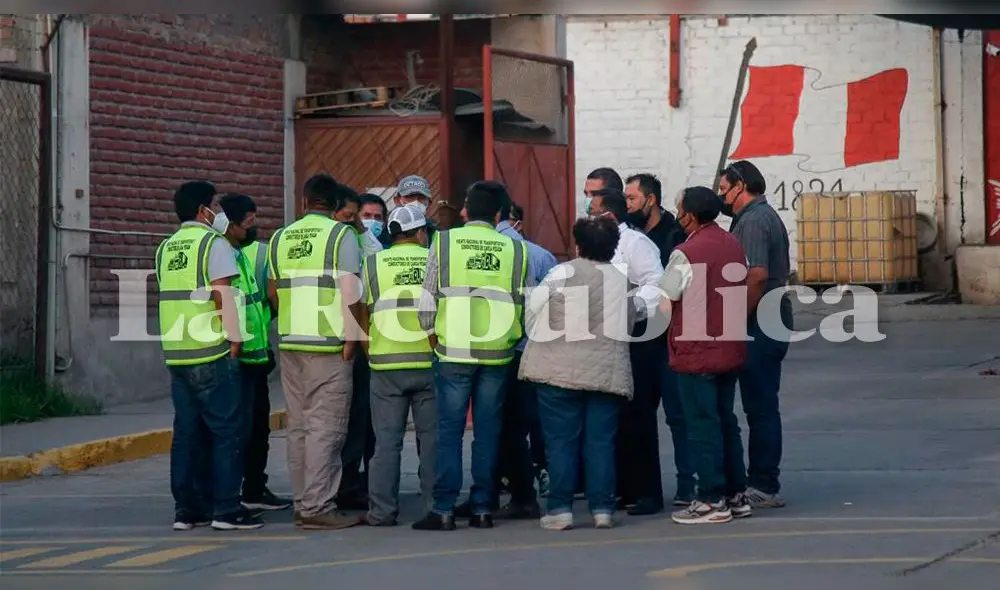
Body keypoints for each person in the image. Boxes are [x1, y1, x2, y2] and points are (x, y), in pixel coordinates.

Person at [413, 180, 530, 531]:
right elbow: (521, 303)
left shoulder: (444, 242)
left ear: (467, 209)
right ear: (498, 214)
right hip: (497, 353)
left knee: (449, 431)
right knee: (488, 431)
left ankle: (444, 509)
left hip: (452, 351)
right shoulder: (516, 250)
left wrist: (432, 333)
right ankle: (482, 508)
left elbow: (428, 297)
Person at [157, 181, 263, 531]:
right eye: (214, 206)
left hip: (178, 353)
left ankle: (187, 510)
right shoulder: (213, 244)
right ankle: (226, 509)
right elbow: (223, 296)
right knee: (226, 432)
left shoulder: (167, 248)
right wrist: (235, 340)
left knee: (188, 434)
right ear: (203, 211)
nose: (217, 212)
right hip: (212, 352)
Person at [519, 215, 634, 530]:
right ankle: (602, 509)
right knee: (600, 442)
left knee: (560, 441)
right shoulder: (623, 280)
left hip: (558, 370)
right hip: (606, 372)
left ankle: (560, 508)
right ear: (613, 247)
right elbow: (631, 322)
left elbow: (532, 313)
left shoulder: (561, 273)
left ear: (578, 245)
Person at [266, 174, 364, 530]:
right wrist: (354, 336)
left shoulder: (279, 237)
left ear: (305, 202)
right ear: (336, 205)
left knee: (299, 427)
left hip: (291, 341)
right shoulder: (341, 235)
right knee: (327, 428)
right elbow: (350, 291)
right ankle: (318, 506)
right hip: (329, 344)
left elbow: (273, 292)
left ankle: (302, 501)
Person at [661, 186, 752, 524]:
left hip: (696, 351)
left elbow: (664, 302)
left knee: (701, 425)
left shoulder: (684, 253)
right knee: (726, 421)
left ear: (691, 214)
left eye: (680, 208)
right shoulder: (733, 245)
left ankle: (711, 499)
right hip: (729, 345)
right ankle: (736, 492)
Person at [586, 187, 666, 515]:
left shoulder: (635, 243)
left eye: (593, 212)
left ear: (609, 215)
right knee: (613, 417)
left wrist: (629, 307)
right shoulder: (596, 244)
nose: (588, 218)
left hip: (638, 338)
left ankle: (647, 492)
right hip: (606, 340)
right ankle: (623, 488)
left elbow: (656, 283)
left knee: (638, 417)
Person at [718, 160, 792, 509]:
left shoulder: (753, 220)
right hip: (767, 317)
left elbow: (757, 275)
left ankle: (763, 483)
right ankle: (762, 479)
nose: (722, 196)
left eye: (725, 189)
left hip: (761, 321)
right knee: (760, 404)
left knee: (760, 405)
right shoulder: (756, 218)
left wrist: (736, 318)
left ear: (741, 185)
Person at [360, 204, 437, 527]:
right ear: (420, 233)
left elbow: (361, 309)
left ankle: (381, 511)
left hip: (385, 363)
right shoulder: (435, 260)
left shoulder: (373, 263)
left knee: (386, 442)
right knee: (432, 440)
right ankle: (436, 505)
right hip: (429, 361)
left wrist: (368, 347)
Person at [624, 173, 695, 506]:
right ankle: (640, 488)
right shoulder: (626, 234)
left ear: (650, 200)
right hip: (640, 338)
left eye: (632, 199)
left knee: (678, 414)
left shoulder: (675, 234)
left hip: (671, 335)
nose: (628, 205)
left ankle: (687, 484)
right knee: (638, 414)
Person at [218, 193, 292, 512]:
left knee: (251, 427)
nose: (254, 225)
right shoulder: (242, 254)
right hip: (240, 355)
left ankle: (249, 491)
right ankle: (240, 494)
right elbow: (269, 299)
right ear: (234, 223)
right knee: (246, 429)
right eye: (249, 219)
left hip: (252, 353)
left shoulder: (242, 253)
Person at [492, 196, 557, 515]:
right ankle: (536, 482)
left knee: (505, 425)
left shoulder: (492, 251)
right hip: (534, 346)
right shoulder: (542, 255)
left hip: (502, 349)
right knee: (533, 420)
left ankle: (513, 488)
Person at [334, 184, 379, 510]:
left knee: (366, 420)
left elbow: (375, 256)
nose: (368, 221)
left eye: (378, 217)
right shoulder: (336, 243)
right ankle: (346, 482)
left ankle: (365, 481)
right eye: (364, 216)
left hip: (368, 342)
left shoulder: (369, 246)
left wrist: (362, 230)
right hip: (345, 340)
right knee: (348, 420)